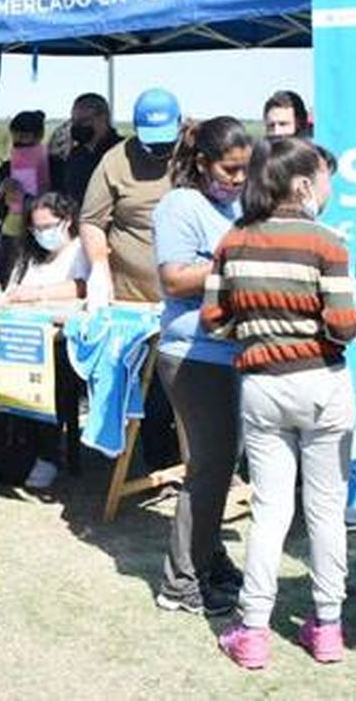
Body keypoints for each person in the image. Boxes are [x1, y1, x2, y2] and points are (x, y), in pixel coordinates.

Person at [203, 137, 356, 670]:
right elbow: (346, 327)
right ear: (302, 184)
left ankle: (252, 631)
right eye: (323, 177)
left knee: (269, 512)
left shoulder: (233, 239)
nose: (328, 187)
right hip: (321, 384)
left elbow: (214, 321)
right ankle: (329, 628)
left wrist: (259, 332)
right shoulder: (328, 241)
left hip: (261, 386)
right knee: (326, 513)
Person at [148, 117, 250, 618]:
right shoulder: (180, 205)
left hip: (228, 354)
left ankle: (209, 558)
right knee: (208, 470)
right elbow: (173, 278)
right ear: (203, 162)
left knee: (221, 465)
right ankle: (180, 582)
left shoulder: (232, 206)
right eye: (230, 169)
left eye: (244, 170)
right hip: (194, 356)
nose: (237, 179)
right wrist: (239, 266)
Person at [80, 86, 182, 469]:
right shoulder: (114, 161)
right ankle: (158, 460)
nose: (157, 151)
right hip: (134, 299)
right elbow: (91, 221)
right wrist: (100, 267)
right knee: (152, 387)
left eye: (164, 143)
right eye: (150, 142)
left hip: (188, 296)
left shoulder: (195, 157)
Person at [0, 191, 90, 489]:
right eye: (36, 228)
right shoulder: (28, 255)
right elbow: (14, 289)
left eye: (47, 226)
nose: (42, 234)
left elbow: (83, 287)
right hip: (17, 333)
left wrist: (40, 294)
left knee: (49, 378)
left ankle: (47, 453)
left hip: (57, 340)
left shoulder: (80, 250)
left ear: (67, 221)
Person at [0, 110, 61, 287]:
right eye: (16, 139)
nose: (19, 143)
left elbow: (61, 202)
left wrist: (28, 199)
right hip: (11, 237)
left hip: (43, 233)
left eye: (25, 138)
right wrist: (1, 192)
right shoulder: (7, 167)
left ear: (39, 136)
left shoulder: (56, 165)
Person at [58, 92, 122, 205]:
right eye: (74, 121)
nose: (78, 126)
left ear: (103, 118)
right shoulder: (75, 154)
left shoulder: (122, 151)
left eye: (84, 121)